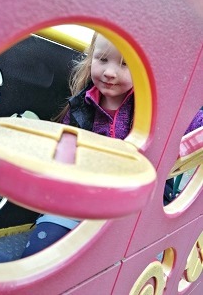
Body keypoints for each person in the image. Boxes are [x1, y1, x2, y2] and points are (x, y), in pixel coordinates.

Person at [21, 32, 135, 257]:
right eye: (102, 59)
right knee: (37, 255)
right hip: (76, 202)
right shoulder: (82, 103)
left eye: (125, 64)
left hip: (122, 214)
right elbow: (66, 146)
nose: (110, 72)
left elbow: (192, 122)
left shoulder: (150, 107)